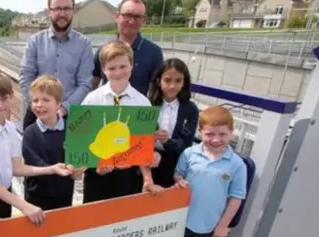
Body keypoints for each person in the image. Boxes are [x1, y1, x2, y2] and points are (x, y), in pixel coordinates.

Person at [0, 71, 73, 223]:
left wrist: (52, 168)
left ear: (11, 96)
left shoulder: (9, 128)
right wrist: (23, 205)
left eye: (4, 99)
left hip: (4, 194)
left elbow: (16, 168)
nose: (0, 105)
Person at [173, 106, 247, 237]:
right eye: (210, 134)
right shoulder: (189, 154)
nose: (216, 139)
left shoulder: (236, 164)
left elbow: (236, 197)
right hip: (182, 218)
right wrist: (179, 181)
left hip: (208, 223)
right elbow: (178, 174)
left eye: (222, 134)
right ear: (200, 132)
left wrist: (223, 225)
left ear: (231, 132)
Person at [81, 40, 163, 203]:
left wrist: (148, 178)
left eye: (123, 66)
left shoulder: (142, 103)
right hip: (97, 174)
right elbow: (83, 139)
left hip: (127, 175)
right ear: (104, 70)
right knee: (93, 220)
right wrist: (98, 162)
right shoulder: (92, 100)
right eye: (111, 68)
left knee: (121, 223)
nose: (118, 72)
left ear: (132, 65)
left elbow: (143, 143)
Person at [19, 0, 94, 129]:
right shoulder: (34, 41)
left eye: (66, 8)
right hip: (36, 115)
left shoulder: (84, 44)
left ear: (73, 11)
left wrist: (63, 108)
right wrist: (39, 106)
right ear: (49, 12)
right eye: (57, 9)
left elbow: (85, 83)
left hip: (70, 118)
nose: (62, 14)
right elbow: (25, 77)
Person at [22, 75, 86, 211]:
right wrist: (54, 169)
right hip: (37, 196)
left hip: (64, 194)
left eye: (46, 100)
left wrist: (78, 168)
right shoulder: (30, 133)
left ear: (58, 104)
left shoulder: (71, 130)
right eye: (35, 100)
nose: (39, 105)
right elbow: (33, 163)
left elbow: (76, 161)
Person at [91, 0, 164, 96]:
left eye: (138, 17)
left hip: (138, 110)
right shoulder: (103, 50)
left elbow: (157, 91)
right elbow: (93, 82)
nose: (132, 21)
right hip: (106, 110)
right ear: (117, 16)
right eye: (128, 15)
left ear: (144, 20)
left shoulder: (154, 53)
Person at [148, 58, 199, 188]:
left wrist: (167, 141)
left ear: (184, 82)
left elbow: (185, 144)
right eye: (167, 80)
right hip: (148, 160)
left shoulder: (190, 109)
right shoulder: (148, 103)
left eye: (178, 81)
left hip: (174, 164)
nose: (172, 86)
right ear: (159, 81)